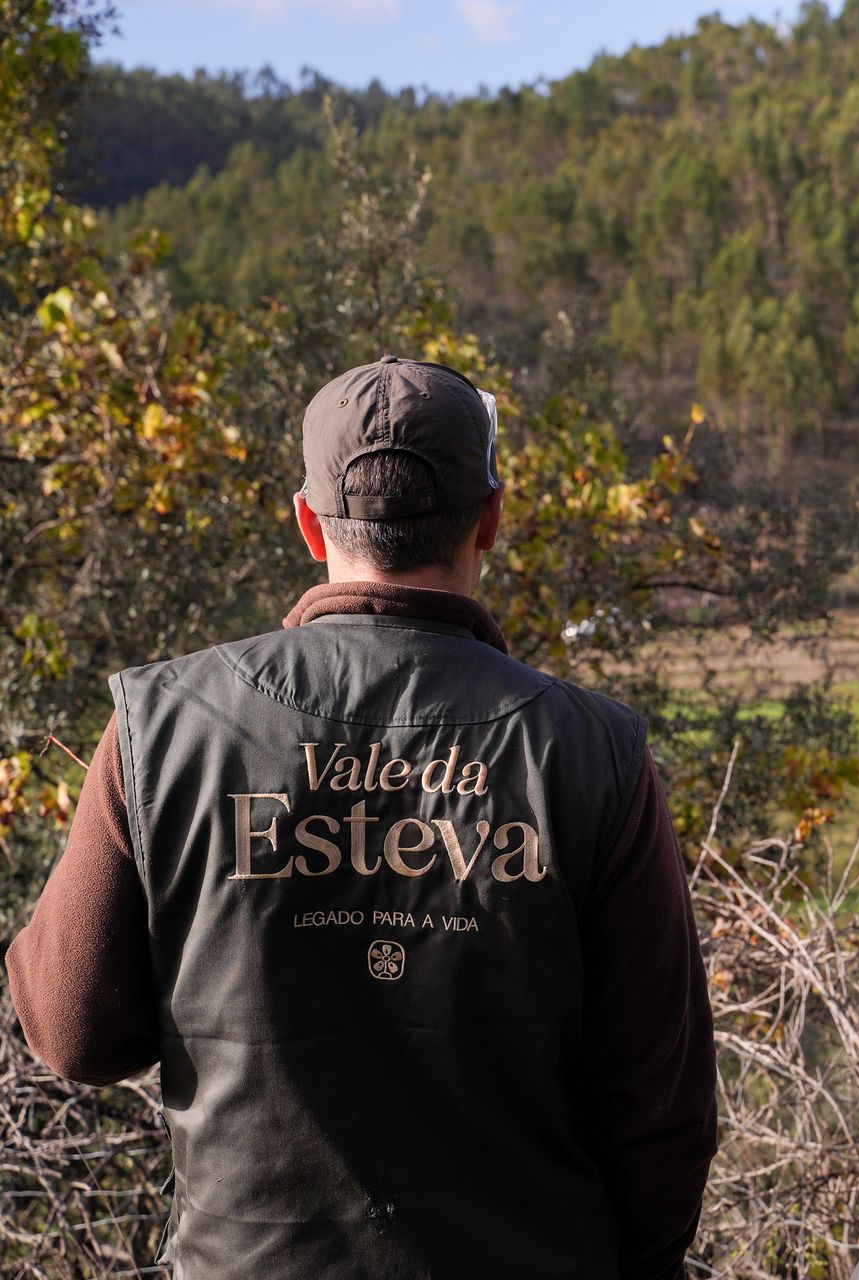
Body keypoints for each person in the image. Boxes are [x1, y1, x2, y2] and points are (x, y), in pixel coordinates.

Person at [5, 356, 717, 1278]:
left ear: (308, 524)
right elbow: (662, 1110)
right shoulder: (593, 749)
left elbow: (71, 1032)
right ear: (491, 519)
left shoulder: (166, 725)